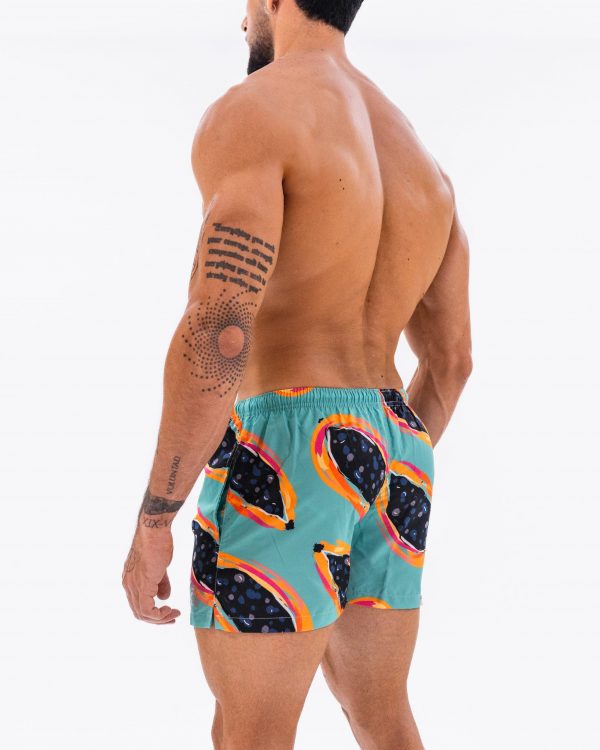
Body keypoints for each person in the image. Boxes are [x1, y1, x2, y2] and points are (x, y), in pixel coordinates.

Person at [121, 1, 473, 747]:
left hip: (288, 440)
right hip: (397, 449)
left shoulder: (255, 112)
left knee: (249, 734)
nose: (240, 19)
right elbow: (451, 363)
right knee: (381, 716)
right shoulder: (423, 162)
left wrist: (155, 517)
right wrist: (367, 466)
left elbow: (219, 332)